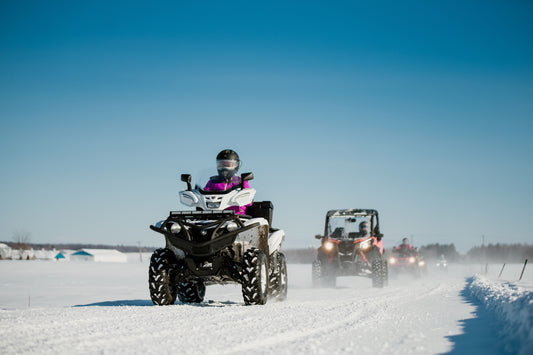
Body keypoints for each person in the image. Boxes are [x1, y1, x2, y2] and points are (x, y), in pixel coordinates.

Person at [204, 149, 251, 214]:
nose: (224, 167)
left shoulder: (241, 181)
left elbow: (249, 202)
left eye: (228, 165)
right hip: (215, 214)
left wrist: (245, 197)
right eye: (221, 164)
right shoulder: (213, 181)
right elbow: (204, 193)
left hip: (236, 215)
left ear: (235, 165)